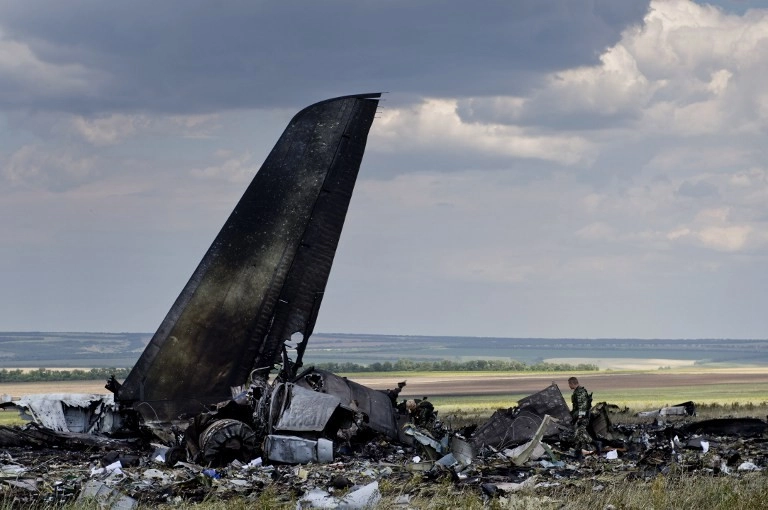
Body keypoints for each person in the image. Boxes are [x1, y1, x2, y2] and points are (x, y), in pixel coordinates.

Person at [568, 376, 594, 456]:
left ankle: (593, 446)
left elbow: (582, 406)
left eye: (569, 384)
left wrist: (580, 417)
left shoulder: (580, 392)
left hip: (582, 417)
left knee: (579, 433)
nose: (569, 386)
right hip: (581, 416)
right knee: (580, 434)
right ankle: (581, 450)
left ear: (572, 383)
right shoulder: (577, 391)